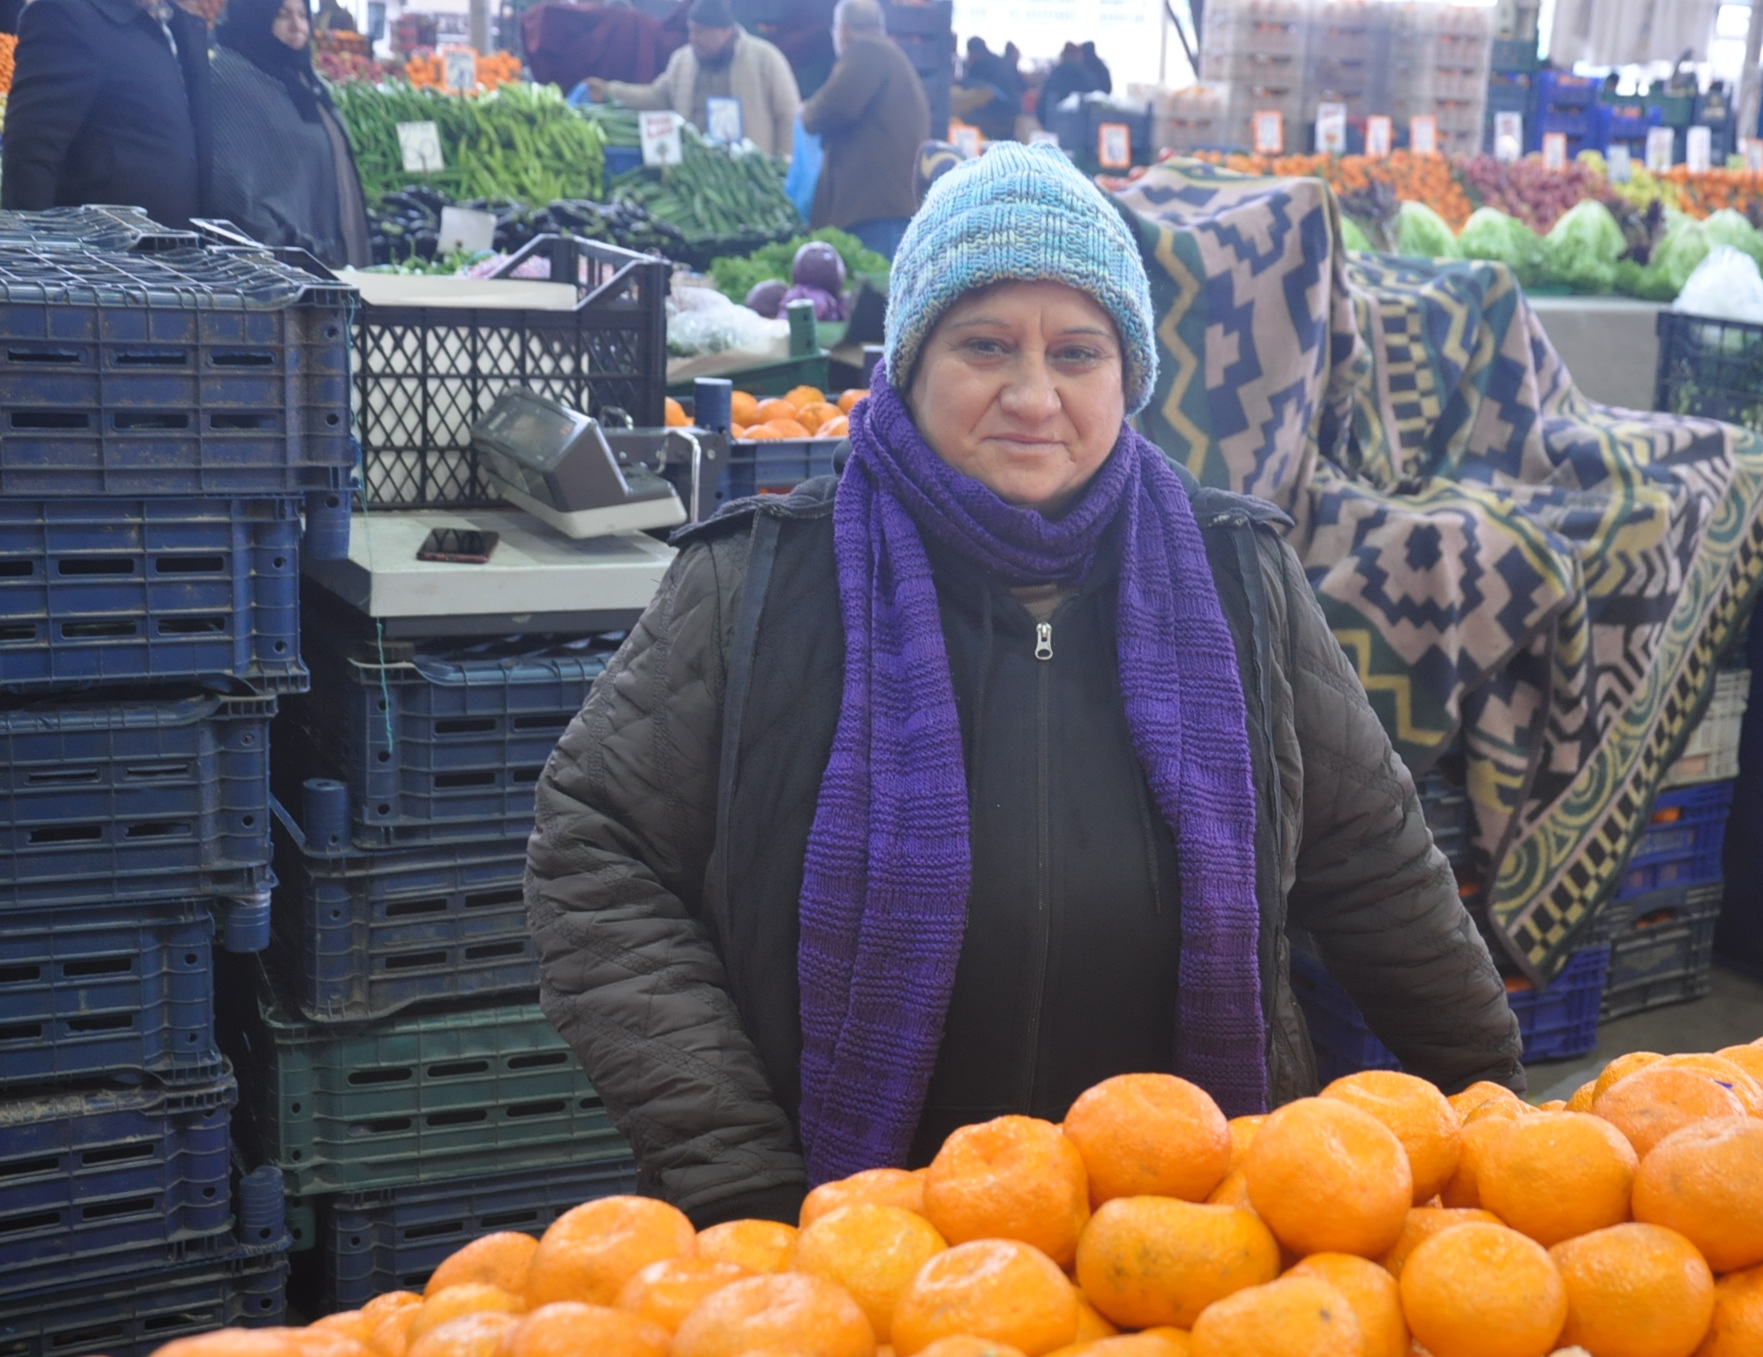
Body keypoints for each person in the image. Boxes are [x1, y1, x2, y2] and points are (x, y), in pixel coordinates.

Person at [527, 141, 1523, 1226]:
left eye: (1079, 351)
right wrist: (736, 1172)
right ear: (909, 362)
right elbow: (598, 851)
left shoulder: (1238, 572)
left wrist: (1498, 1116)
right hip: (845, 1231)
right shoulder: (761, 579)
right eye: (986, 344)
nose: (1035, 395)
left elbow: (1370, 857)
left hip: (1174, 1227)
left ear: (1127, 375)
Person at [0, 0, 214, 226]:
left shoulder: (179, 21)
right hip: (101, 250)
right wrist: (32, 247)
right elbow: (31, 153)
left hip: (181, 247)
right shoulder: (65, 14)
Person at [208, 0, 372, 268]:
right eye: (282, 15)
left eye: (302, 14)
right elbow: (232, 190)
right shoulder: (230, 79)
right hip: (280, 272)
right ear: (255, 17)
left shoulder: (304, 79)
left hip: (326, 264)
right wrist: (291, 252)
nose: (297, 25)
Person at [585, 0, 801, 156]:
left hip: (750, 171)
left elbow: (788, 113)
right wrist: (609, 91)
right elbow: (657, 96)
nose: (693, 39)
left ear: (725, 31)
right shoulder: (683, 60)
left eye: (701, 32)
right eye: (691, 31)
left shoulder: (764, 58)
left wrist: (784, 161)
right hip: (695, 168)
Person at [801, 0, 929, 260]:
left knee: (872, 293)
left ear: (843, 30)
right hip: (887, 206)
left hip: (874, 210)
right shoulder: (888, 54)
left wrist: (805, 112)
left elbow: (833, 107)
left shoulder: (866, 52)